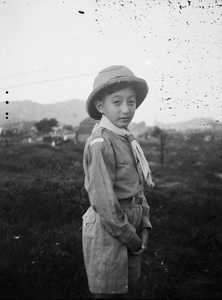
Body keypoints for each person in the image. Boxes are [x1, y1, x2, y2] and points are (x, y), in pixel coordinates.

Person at [82, 65, 154, 299]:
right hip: (110, 228)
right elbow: (103, 202)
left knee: (126, 291)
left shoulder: (124, 138)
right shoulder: (101, 142)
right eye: (117, 102)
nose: (126, 109)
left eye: (131, 102)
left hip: (128, 225)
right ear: (100, 106)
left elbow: (137, 189)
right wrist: (131, 237)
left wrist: (143, 224)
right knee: (109, 294)